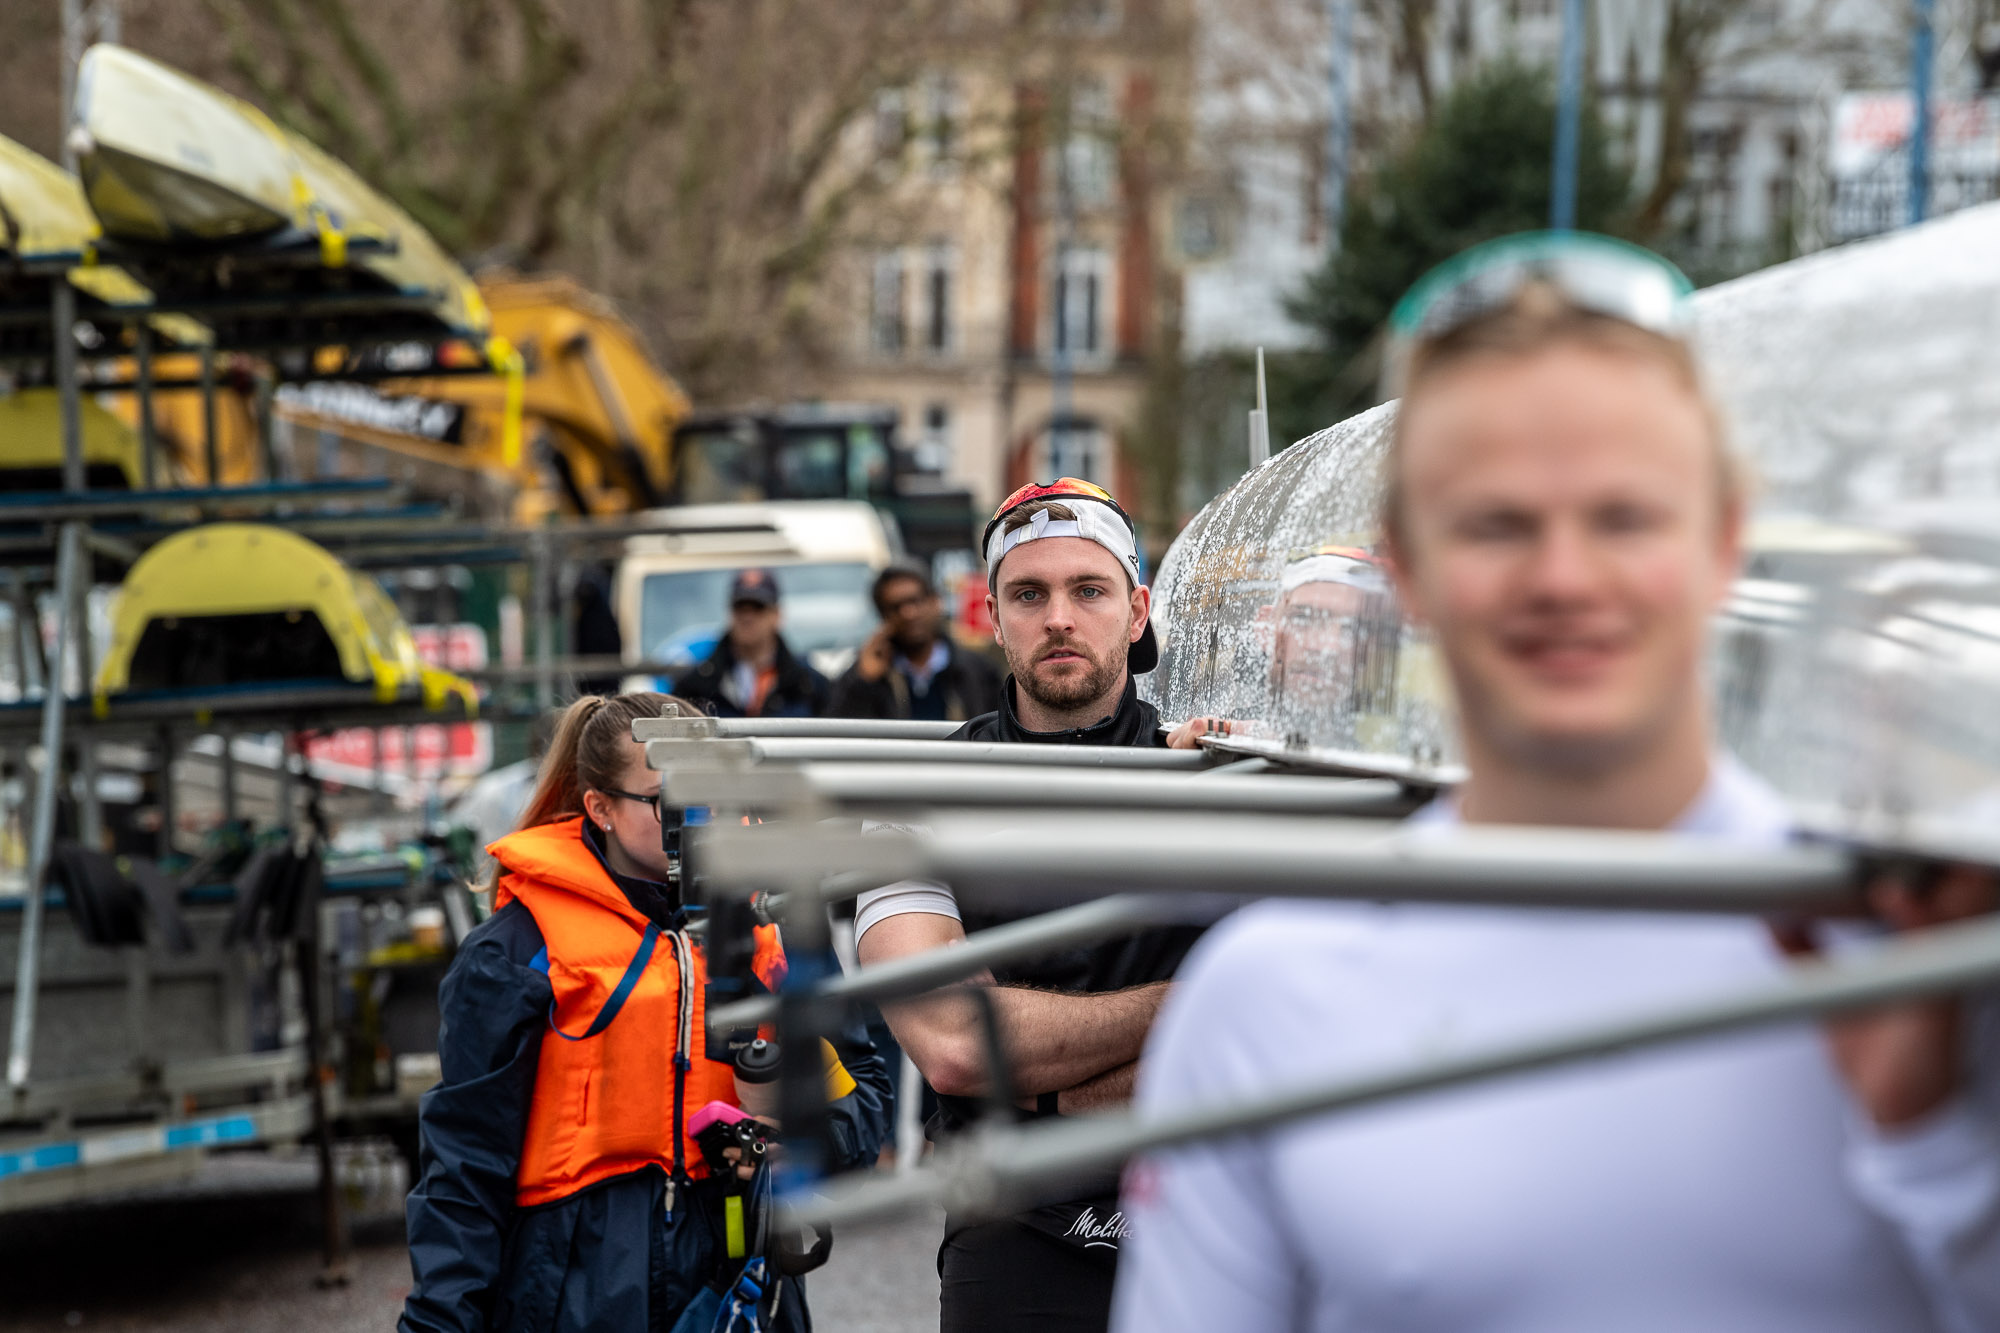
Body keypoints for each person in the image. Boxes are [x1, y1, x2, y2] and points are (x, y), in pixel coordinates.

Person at [1112, 232, 2000, 1332]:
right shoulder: (1263, 1000)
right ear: (1407, 565)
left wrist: (1936, 1149)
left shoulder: (1923, 963)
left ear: (1723, 537)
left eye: (1623, 516)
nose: (1563, 578)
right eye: (1497, 524)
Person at [400, 691, 891, 1333]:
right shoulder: (518, 951)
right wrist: (440, 1322)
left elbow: (866, 1105)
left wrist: (795, 1138)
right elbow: (464, 1164)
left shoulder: (774, 926)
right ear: (599, 807)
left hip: (738, 1285)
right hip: (574, 1296)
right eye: (670, 803)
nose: (703, 820)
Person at [855, 478, 1220, 1333]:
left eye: (1087, 590)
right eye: (1029, 593)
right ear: (991, 615)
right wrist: (1194, 1006)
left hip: (1200, 1213)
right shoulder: (913, 795)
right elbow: (954, 1047)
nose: (1059, 616)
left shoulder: (1216, 778)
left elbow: (1276, 1033)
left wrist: (1041, 1097)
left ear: (1135, 613)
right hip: (1012, 1229)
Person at [826, 559, 1002, 723]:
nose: (908, 613)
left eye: (915, 601)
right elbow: (839, 732)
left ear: (936, 601)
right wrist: (862, 681)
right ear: (883, 617)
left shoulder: (977, 670)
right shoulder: (870, 671)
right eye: (895, 607)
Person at [672, 568, 829, 719]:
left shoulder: (809, 684)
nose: (747, 617)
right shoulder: (696, 685)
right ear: (730, 613)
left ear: (777, 615)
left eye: (758, 607)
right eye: (740, 607)